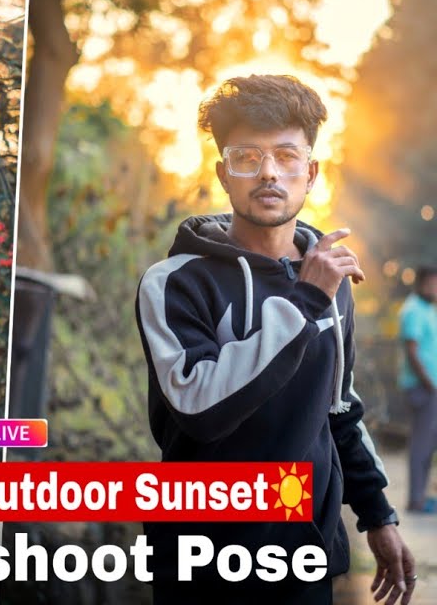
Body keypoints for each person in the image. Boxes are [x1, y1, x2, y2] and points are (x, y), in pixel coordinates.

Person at [135, 75, 415, 604]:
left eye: (286, 156)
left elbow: (339, 409)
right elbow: (201, 408)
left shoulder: (329, 279)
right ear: (224, 173)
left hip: (303, 550)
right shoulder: (175, 281)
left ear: (310, 173)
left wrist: (378, 515)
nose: (268, 172)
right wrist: (304, 302)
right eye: (247, 156)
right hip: (202, 554)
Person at [399, 266, 437, 514]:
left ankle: (423, 497)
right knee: (422, 446)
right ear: (421, 283)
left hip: (430, 388)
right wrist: (430, 384)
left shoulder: (429, 308)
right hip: (423, 388)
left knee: (428, 446)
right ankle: (416, 500)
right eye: (432, 284)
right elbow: (412, 352)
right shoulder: (412, 309)